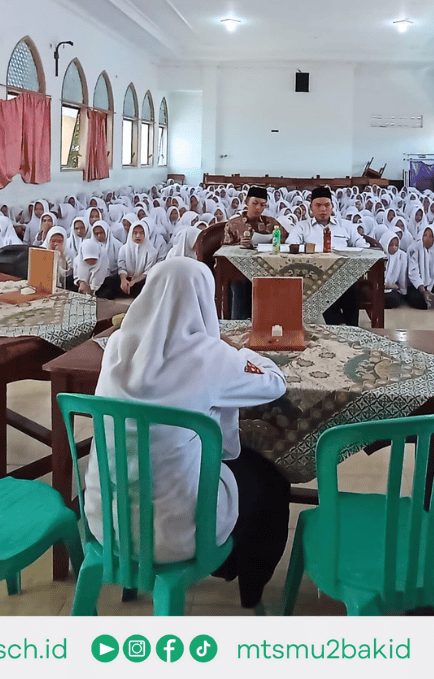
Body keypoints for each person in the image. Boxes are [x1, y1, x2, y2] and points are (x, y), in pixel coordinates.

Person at [88, 258, 290, 609]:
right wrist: (238, 349)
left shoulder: (118, 347)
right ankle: (249, 586)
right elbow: (273, 383)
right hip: (177, 535)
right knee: (269, 480)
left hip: (107, 521)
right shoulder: (212, 356)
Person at [286, 187, 365, 325]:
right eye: (318, 205)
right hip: (314, 276)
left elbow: (362, 246)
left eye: (327, 205)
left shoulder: (346, 226)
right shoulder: (302, 227)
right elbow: (291, 245)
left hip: (343, 274)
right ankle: (338, 326)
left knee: (350, 286)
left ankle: (351, 328)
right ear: (311, 208)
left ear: (332, 207)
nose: (323, 209)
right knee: (324, 286)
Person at [225, 187, 286, 319]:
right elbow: (224, 250)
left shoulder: (271, 223)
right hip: (241, 272)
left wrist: (274, 242)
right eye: (255, 203)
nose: (258, 208)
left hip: (269, 271)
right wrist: (239, 245)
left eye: (262, 205)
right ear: (247, 201)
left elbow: (287, 241)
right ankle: (240, 325)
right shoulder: (233, 224)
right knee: (240, 285)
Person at [103, 220, 158, 299]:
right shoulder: (124, 249)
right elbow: (121, 267)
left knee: (148, 288)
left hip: (141, 280)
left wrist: (134, 281)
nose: (138, 236)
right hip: (126, 278)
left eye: (141, 233)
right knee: (108, 282)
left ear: (146, 234)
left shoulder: (152, 251)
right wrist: (123, 280)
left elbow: (148, 271)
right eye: (135, 233)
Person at [405, 225, 434, 310]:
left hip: (433, 282)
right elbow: (413, 273)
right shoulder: (415, 249)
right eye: (425, 235)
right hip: (418, 286)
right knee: (418, 300)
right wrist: (423, 291)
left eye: (430, 236)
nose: (426, 238)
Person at [77, 221, 118, 296]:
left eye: (101, 233)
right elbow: (80, 268)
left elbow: (101, 271)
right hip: (87, 280)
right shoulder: (87, 245)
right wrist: (82, 282)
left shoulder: (115, 247)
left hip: (107, 278)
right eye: (96, 234)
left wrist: (92, 288)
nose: (99, 236)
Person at [377, 227, 409, 309]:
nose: (394, 248)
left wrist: (398, 288)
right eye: (391, 245)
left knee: (394, 299)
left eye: (396, 245)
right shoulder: (378, 255)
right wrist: (386, 285)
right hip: (377, 288)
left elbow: (402, 279)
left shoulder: (402, 256)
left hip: (391, 290)